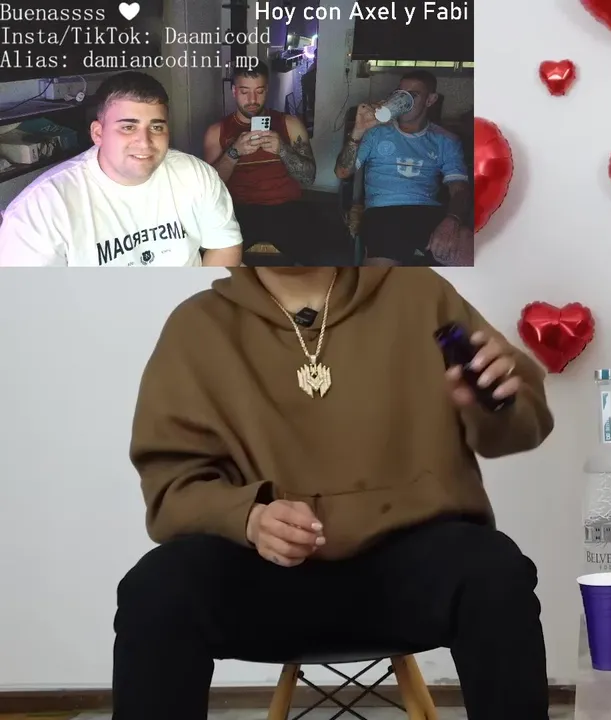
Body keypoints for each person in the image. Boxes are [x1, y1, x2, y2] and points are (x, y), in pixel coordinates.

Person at [113, 267, 556, 720]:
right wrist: (248, 517)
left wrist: (497, 401)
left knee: (494, 572)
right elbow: (172, 485)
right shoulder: (198, 326)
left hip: (414, 567)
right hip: (264, 576)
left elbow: (522, 428)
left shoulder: (420, 293)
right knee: (157, 589)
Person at [0, 71, 242, 267]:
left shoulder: (195, 175)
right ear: (98, 133)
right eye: (128, 127)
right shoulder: (40, 208)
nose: (145, 142)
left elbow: (224, 245)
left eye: (156, 127)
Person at [203, 67, 352, 266]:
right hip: (238, 210)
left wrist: (282, 149)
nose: (252, 99)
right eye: (245, 91)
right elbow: (210, 189)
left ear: (267, 90)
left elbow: (308, 177)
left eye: (259, 91)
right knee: (208, 255)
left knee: (332, 254)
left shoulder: (289, 124)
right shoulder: (217, 131)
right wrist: (234, 153)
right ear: (234, 91)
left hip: (285, 208)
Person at [334, 70, 472, 266]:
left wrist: (453, 219)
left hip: (428, 211)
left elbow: (459, 189)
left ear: (430, 100)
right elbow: (342, 172)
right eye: (399, 93)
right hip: (383, 212)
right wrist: (358, 131)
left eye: (412, 95)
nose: (404, 100)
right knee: (380, 279)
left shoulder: (445, 140)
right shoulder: (375, 133)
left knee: (467, 248)